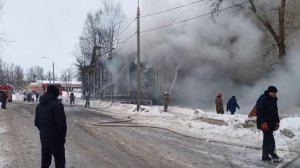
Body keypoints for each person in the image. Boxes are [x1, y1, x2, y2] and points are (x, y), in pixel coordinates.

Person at [34, 85, 67, 168]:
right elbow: (62, 124)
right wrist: (62, 137)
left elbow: (36, 122)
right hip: (56, 139)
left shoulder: (39, 106)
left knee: (45, 161)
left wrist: (44, 131)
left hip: (44, 138)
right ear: (55, 93)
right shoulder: (57, 105)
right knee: (60, 162)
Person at [256, 86, 280, 162]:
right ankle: (273, 154)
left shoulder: (274, 99)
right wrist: (262, 122)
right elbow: (259, 112)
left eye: (275, 93)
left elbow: (275, 111)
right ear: (269, 92)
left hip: (271, 123)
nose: (275, 94)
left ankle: (265, 156)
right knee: (270, 139)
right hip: (265, 123)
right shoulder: (263, 99)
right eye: (273, 93)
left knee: (266, 140)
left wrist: (277, 121)